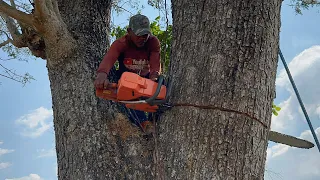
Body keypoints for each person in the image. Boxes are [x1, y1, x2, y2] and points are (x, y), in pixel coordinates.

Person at [94, 14, 161, 134]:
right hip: (127, 81)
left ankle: (155, 120)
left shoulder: (152, 42)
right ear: (129, 31)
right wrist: (102, 74)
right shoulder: (121, 44)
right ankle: (143, 123)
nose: (143, 38)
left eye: (146, 34)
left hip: (146, 79)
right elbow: (109, 59)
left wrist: (154, 79)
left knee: (162, 88)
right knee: (128, 93)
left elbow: (155, 66)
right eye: (139, 35)